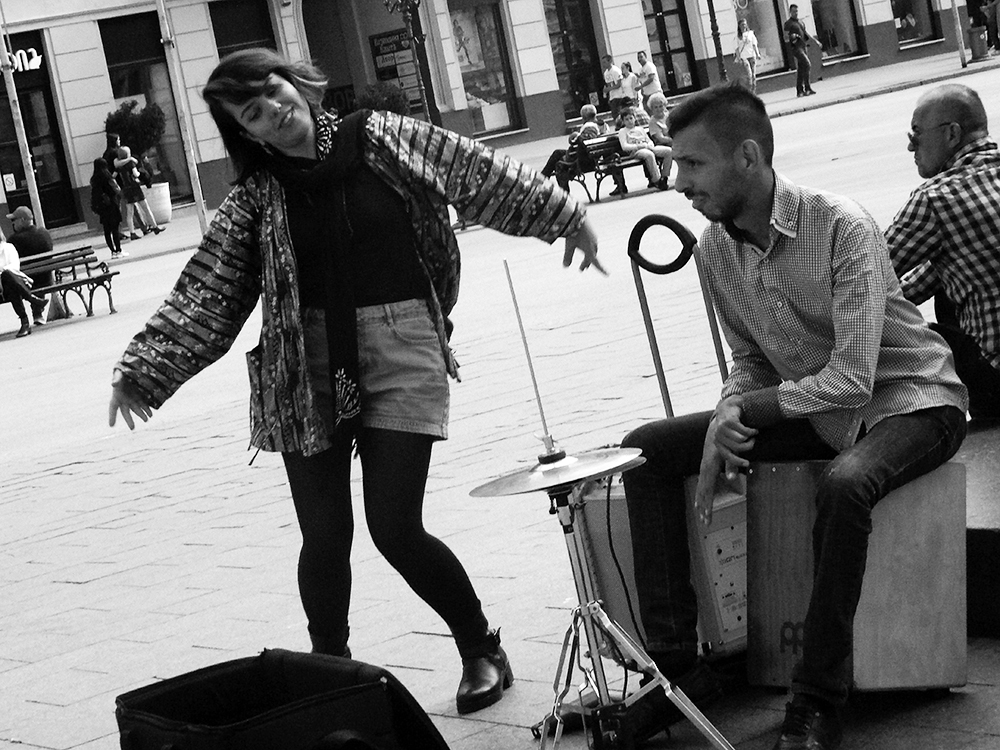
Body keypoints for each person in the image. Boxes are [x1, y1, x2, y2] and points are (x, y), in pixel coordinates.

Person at [106, 47, 603, 716]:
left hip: (403, 345)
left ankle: (481, 648)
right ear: (245, 133)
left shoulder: (382, 137)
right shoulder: (258, 197)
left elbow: (476, 172)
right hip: (303, 363)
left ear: (296, 82)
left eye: (273, 91)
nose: (273, 111)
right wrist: (141, 371)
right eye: (253, 113)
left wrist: (564, 216)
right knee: (324, 535)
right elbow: (209, 290)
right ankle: (329, 678)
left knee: (394, 526)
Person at [619, 85, 967, 750]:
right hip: (819, 410)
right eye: (676, 163)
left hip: (913, 399)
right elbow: (750, 360)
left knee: (846, 483)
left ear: (748, 157)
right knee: (645, 450)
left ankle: (815, 701)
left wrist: (746, 409)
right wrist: (726, 415)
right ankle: (679, 673)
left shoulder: (841, 226)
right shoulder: (715, 250)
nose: (677, 181)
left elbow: (853, 377)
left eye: (692, 163)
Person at [885, 84, 1000, 421]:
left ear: (952, 134)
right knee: (949, 285)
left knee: (902, 334)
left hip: (995, 380)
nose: (911, 145)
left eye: (916, 134)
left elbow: (864, 273)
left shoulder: (937, 198)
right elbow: (943, 271)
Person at [541, 103, 608, 191]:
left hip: (583, 160)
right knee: (557, 153)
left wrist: (577, 136)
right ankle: (543, 177)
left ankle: (543, 179)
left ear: (584, 117)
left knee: (558, 161)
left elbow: (585, 141)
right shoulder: (601, 126)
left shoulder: (589, 127)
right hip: (590, 156)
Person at [6, 205, 53, 325]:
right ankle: (37, 313)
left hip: (26, 284)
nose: (13, 224)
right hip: (47, 279)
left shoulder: (14, 240)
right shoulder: (44, 233)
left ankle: (26, 318)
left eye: (14, 220)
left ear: (22, 220)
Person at [0, 229, 46, 338]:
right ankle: (31, 298)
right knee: (9, 280)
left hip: (10, 284)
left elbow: (15, 266)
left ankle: (25, 323)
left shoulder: (8, 247)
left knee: (8, 278)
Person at [114, 145, 163, 241]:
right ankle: (155, 226)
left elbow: (113, 176)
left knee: (130, 213)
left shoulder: (118, 166)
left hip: (126, 189)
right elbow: (136, 174)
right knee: (145, 208)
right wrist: (140, 174)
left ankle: (132, 232)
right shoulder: (131, 163)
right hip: (135, 188)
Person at [616, 105, 671, 190]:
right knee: (649, 155)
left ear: (634, 118)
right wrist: (638, 146)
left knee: (668, 151)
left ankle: (665, 176)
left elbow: (649, 140)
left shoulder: (640, 129)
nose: (629, 121)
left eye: (631, 118)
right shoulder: (622, 131)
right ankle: (657, 180)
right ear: (623, 121)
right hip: (636, 151)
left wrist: (650, 144)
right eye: (626, 119)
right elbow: (624, 146)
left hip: (648, 147)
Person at [90, 157, 125, 258]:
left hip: (102, 207)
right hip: (112, 205)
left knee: (107, 230)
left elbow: (94, 194)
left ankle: (112, 251)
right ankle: (118, 250)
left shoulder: (94, 179)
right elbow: (116, 190)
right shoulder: (108, 176)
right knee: (115, 229)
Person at [784, 5, 816, 97]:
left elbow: (806, 34)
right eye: (794, 11)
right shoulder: (788, 24)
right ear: (790, 12)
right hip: (796, 48)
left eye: (797, 11)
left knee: (801, 68)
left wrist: (816, 41)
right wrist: (792, 37)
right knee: (807, 64)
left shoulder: (801, 22)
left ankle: (800, 90)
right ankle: (807, 87)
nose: (796, 13)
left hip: (803, 46)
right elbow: (785, 37)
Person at [646, 92, 673, 186]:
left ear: (665, 105)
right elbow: (660, 138)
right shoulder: (652, 121)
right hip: (659, 145)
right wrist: (674, 140)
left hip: (673, 142)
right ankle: (664, 178)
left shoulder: (669, 116)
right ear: (652, 109)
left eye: (661, 106)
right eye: (655, 107)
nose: (658, 109)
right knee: (669, 151)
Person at [734, 18, 762, 93]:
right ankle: (749, 90)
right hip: (744, 57)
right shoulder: (737, 36)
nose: (744, 26)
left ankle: (753, 90)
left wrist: (757, 54)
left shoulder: (750, 34)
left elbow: (754, 44)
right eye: (742, 25)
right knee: (749, 74)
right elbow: (736, 48)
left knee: (753, 75)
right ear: (739, 26)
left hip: (752, 55)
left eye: (745, 24)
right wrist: (739, 57)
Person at [602, 55, 628, 119]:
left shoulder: (615, 71)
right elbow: (608, 85)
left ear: (610, 61)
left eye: (605, 62)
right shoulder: (605, 73)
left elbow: (619, 84)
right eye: (603, 62)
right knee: (614, 114)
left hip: (619, 96)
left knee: (618, 114)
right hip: (612, 97)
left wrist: (609, 89)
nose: (603, 64)